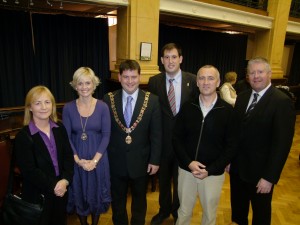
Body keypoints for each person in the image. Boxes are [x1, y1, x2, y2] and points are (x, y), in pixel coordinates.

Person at [229, 57, 296, 225]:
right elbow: (235, 133)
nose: (256, 76)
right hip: (237, 171)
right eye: (252, 72)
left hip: (261, 175)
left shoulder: (281, 101)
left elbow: (282, 144)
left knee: (261, 215)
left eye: (260, 72)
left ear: (269, 74)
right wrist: (228, 160)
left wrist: (269, 177)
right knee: (238, 213)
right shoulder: (242, 97)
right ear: (247, 76)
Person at [172, 65, 237, 225]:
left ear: (218, 82)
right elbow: (176, 138)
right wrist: (188, 162)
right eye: (201, 78)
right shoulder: (188, 107)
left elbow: (231, 146)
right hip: (187, 171)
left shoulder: (228, 111)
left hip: (213, 174)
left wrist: (211, 169)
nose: (206, 82)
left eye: (210, 78)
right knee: (184, 212)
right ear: (197, 82)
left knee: (209, 214)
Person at [103, 59, 162, 225]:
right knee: (118, 201)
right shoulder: (108, 99)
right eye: (126, 77)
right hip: (115, 161)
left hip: (142, 161)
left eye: (134, 77)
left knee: (140, 201)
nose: (130, 81)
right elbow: (104, 133)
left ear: (140, 77)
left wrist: (155, 160)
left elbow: (156, 134)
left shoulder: (152, 100)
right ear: (120, 77)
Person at [148, 43, 198, 225]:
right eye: (167, 57)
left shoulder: (193, 81)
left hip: (184, 144)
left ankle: (178, 212)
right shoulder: (154, 81)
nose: (170, 61)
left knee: (181, 182)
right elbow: (152, 113)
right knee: (163, 181)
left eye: (174, 57)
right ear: (161, 60)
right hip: (162, 142)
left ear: (181, 59)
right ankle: (163, 211)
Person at [14, 85, 74, 225]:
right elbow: (29, 171)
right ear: (30, 107)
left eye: (47, 102)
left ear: (52, 105)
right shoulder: (23, 136)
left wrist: (65, 181)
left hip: (61, 191)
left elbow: (68, 158)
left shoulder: (60, 128)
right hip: (38, 195)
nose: (43, 107)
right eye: (37, 103)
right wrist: (55, 185)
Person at [62, 67, 111, 225]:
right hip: (77, 160)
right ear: (75, 86)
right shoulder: (68, 108)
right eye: (80, 83)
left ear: (94, 84)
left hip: (99, 159)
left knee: (97, 192)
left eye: (87, 83)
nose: (84, 87)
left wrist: (94, 161)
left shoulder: (103, 106)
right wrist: (78, 160)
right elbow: (66, 137)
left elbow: (106, 135)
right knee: (79, 192)